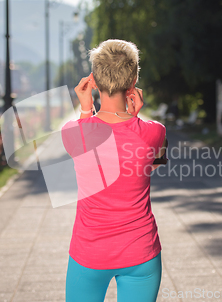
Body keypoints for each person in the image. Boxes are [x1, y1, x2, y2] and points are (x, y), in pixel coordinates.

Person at [61, 39, 168, 302]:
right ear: (133, 83)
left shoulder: (72, 133)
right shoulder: (155, 132)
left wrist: (86, 109)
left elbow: (86, 141)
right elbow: (153, 164)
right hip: (141, 252)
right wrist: (135, 120)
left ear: (94, 81)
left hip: (89, 254)